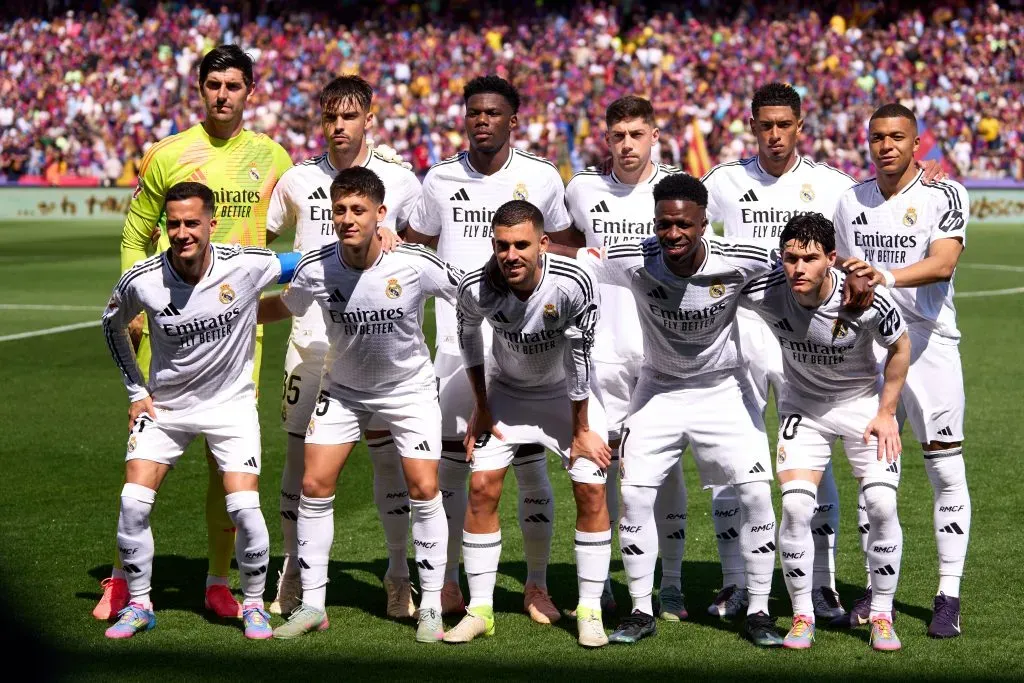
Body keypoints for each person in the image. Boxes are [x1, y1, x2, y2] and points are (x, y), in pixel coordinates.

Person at [94, 44, 292, 621]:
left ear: (250, 91)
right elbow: (135, 235)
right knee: (143, 450)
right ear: (200, 89)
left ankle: (218, 581)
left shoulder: (273, 157)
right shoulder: (169, 153)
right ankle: (122, 580)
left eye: (233, 85)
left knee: (225, 462)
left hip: (239, 329)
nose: (223, 95)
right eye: (213, 85)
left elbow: (290, 234)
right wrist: (135, 309)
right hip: (171, 323)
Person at [578, 173, 782, 647]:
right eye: (664, 224)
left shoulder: (741, 258)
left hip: (723, 390)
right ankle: (640, 609)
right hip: (658, 390)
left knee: (756, 494)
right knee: (634, 496)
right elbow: (575, 262)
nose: (673, 234)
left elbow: (797, 273)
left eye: (684, 224)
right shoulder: (632, 257)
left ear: (703, 223)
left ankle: (758, 611)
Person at [259, 167, 460, 643]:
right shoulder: (316, 266)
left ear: (380, 214)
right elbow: (286, 306)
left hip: (408, 390)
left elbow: (467, 293)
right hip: (344, 390)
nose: (348, 219)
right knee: (313, 483)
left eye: (358, 210)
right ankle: (313, 604)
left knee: (423, 486)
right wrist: (230, 314)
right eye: (340, 210)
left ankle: (431, 606)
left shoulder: (413, 263)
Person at [405, 76, 572, 622]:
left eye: (493, 113)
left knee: (529, 462)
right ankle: (450, 584)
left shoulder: (541, 176)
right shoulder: (439, 178)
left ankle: (537, 585)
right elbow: (418, 243)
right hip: (459, 345)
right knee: (456, 466)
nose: (482, 120)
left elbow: (561, 242)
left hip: (525, 345)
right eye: (474, 111)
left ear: (512, 120)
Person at [264, 74, 422, 619]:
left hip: (375, 343)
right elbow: (259, 240)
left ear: (369, 119)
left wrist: (401, 238)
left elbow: (421, 243)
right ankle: (293, 570)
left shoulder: (399, 180)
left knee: (387, 461)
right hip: (309, 341)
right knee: (299, 462)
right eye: (330, 117)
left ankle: (398, 574)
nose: (338, 126)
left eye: (349, 116)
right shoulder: (297, 179)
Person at [700, 82, 857, 620]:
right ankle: (735, 581)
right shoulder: (724, 181)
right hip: (741, 332)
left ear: (799, 126)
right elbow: (681, 217)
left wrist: (922, 176)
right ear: (752, 127)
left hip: (807, 338)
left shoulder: (832, 185)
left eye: (784, 125)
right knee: (732, 456)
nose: (774, 135)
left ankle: (822, 584)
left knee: (815, 455)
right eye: (765, 125)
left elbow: (872, 208)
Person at [442, 200, 611, 648]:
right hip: (508, 393)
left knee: (591, 488)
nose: (511, 255)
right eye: (502, 245)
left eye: (521, 245)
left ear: (543, 243)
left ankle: (589, 610)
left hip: (564, 395)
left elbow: (580, 358)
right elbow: (468, 339)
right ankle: (480, 611)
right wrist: (481, 406)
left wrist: (581, 430)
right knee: (481, 487)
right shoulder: (477, 286)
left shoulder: (573, 282)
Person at [740, 213, 911, 651]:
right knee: (796, 506)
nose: (798, 268)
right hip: (804, 408)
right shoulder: (765, 289)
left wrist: (887, 412)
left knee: (881, 503)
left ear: (831, 259)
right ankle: (803, 616)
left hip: (862, 405)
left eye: (810, 259)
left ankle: (882, 615)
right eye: (790, 258)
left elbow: (900, 347)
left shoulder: (865, 298)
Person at [835, 103, 972, 638]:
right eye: (877, 137)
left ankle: (948, 595)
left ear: (916, 143)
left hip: (931, 346)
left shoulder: (945, 192)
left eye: (897, 137)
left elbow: (944, 263)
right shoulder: (851, 200)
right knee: (874, 478)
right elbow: (841, 264)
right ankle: (876, 590)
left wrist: (884, 277)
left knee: (945, 469)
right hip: (871, 348)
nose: (886, 145)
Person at [550, 95, 685, 620]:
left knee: (662, 470)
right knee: (597, 470)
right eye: (618, 135)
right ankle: (600, 581)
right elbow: (557, 247)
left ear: (655, 135)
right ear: (606, 139)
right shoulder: (582, 189)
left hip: (660, 351)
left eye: (636, 134)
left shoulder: (676, 189)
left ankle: (671, 585)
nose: (627, 144)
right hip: (599, 351)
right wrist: (579, 255)